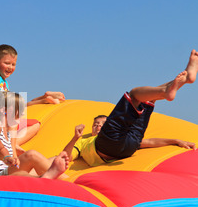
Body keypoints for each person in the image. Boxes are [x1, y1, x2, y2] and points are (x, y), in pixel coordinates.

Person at [63, 50, 198, 167]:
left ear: (109, 124)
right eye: (95, 124)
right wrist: (75, 138)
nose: (98, 126)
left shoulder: (113, 134)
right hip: (108, 146)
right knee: (133, 94)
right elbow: (66, 157)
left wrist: (176, 141)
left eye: (103, 124)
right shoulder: (84, 142)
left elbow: (149, 142)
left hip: (129, 143)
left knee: (148, 98)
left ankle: (185, 79)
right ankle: (174, 85)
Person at [0, 91, 68, 179]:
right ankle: (70, 182)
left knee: (55, 160)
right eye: (19, 109)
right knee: (32, 155)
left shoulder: (8, 133)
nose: (22, 113)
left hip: (9, 171)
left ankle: (43, 177)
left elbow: (14, 157)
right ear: (3, 110)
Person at [0, 44, 65, 109]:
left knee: (20, 105)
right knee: (20, 106)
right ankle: (44, 98)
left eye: (13, 64)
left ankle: (45, 98)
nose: (10, 67)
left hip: (0, 113)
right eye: (7, 63)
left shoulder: (4, 83)